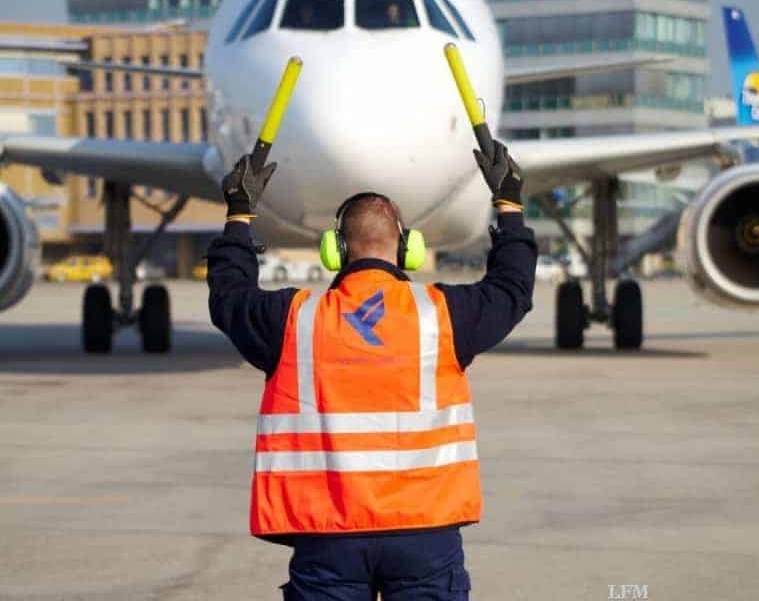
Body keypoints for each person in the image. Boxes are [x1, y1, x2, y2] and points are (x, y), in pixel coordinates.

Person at [207, 138, 537, 600]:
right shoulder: (441, 315)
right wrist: (508, 206)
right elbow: (512, 290)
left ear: (335, 250)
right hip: (425, 532)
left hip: (327, 532)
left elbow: (228, 297)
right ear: (408, 249)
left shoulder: (295, 320)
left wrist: (239, 217)